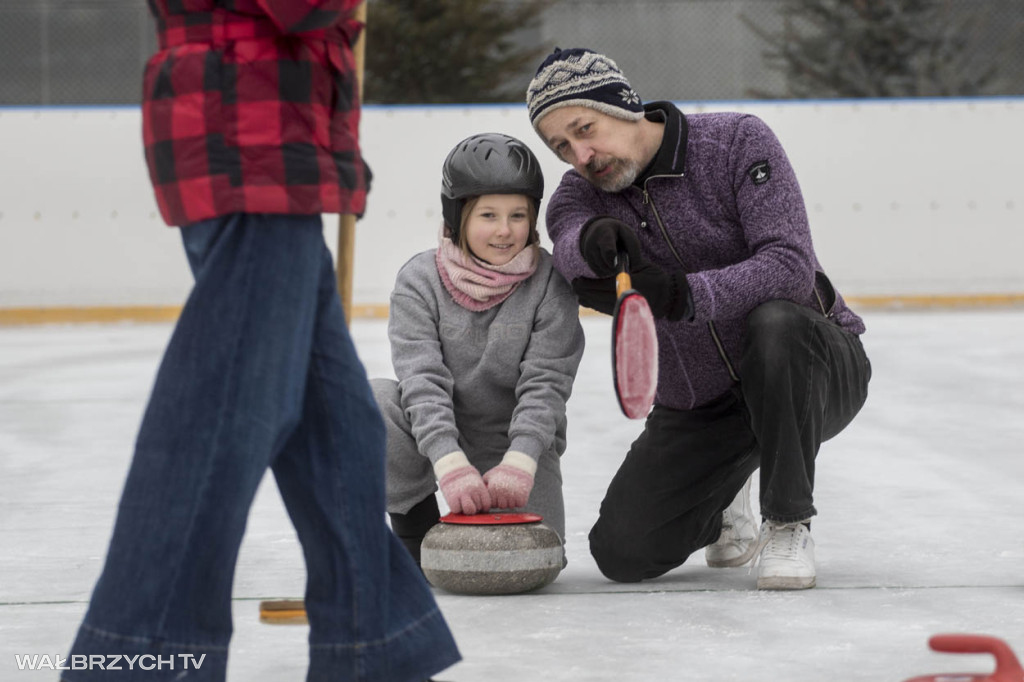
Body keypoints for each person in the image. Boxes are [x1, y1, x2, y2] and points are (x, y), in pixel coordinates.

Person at [62, 3, 460, 681]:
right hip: (250, 141)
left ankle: (375, 647)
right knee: (221, 420)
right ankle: (141, 658)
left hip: (268, 138)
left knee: (339, 430)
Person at [525, 47, 872, 590]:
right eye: (562, 146)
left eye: (585, 128)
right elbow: (566, 235)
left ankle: (787, 520)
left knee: (776, 322)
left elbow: (789, 265)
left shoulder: (735, 143)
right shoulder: (580, 194)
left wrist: (686, 295)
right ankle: (728, 492)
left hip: (812, 369)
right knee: (622, 553)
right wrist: (590, 244)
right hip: (702, 403)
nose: (582, 154)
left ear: (624, 105)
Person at [372, 133, 585, 570]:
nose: (504, 230)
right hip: (440, 441)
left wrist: (522, 460)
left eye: (517, 215)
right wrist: (450, 464)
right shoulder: (418, 281)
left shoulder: (549, 281)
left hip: (519, 447)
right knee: (374, 399)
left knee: (534, 563)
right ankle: (415, 527)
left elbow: (546, 384)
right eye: (488, 214)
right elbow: (421, 380)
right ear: (457, 218)